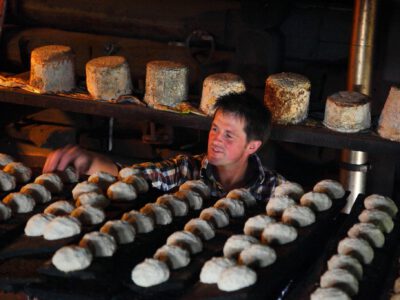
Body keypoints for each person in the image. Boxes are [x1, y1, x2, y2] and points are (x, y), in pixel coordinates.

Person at [43, 92, 284, 201]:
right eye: (214, 129)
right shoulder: (185, 170)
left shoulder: (276, 190)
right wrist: (89, 161)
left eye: (229, 135)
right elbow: (133, 176)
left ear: (252, 146)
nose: (217, 139)